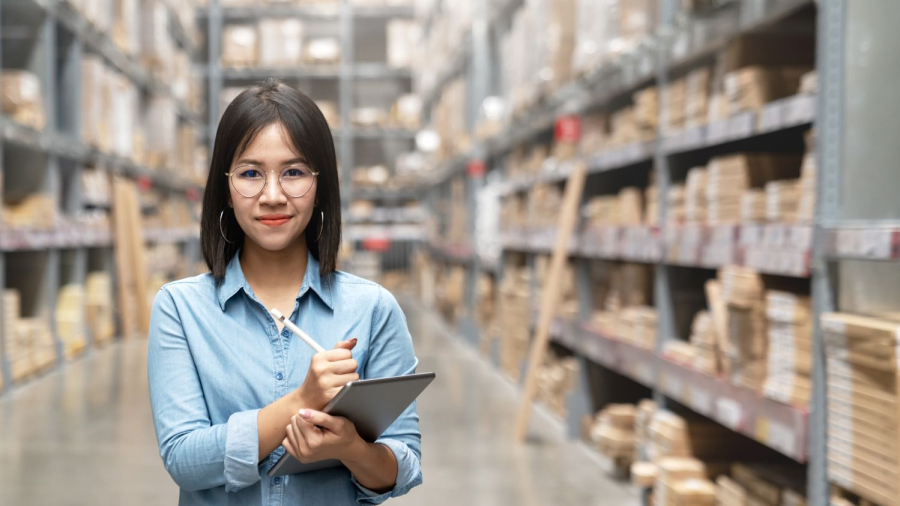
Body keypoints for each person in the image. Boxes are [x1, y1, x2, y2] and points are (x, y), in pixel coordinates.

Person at [147, 78, 423, 505]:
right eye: (250, 173)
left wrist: (350, 448)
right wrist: (303, 401)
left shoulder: (372, 309)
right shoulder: (181, 309)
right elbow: (183, 458)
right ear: (225, 186)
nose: (272, 196)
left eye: (293, 172)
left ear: (321, 184)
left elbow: (402, 467)